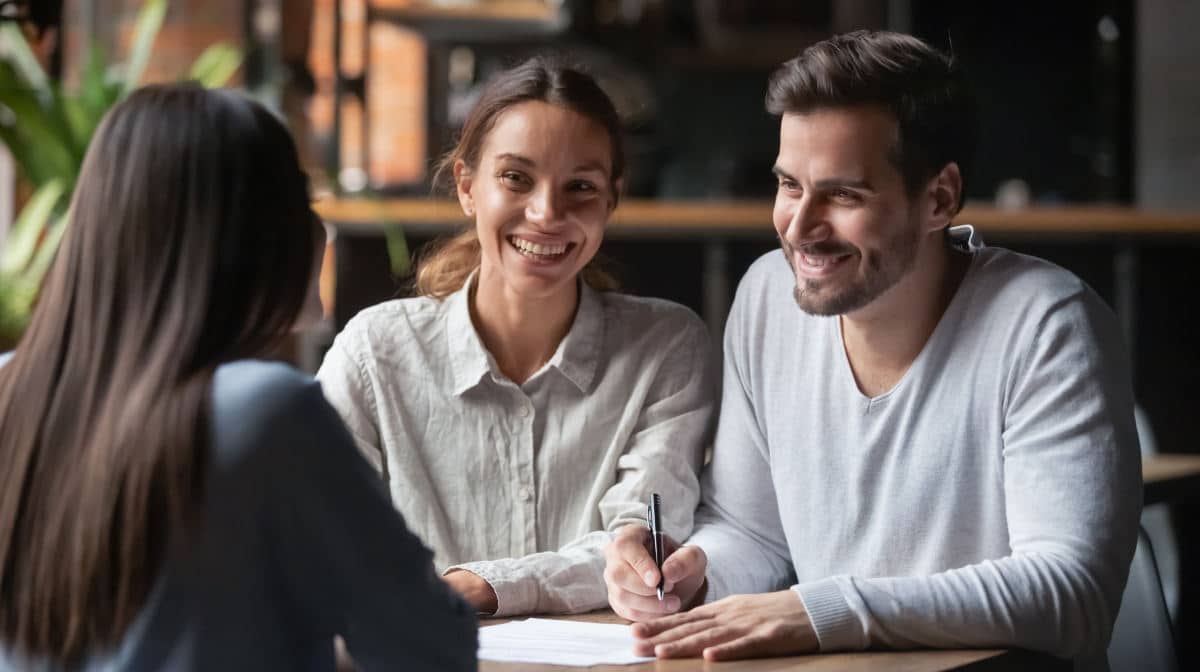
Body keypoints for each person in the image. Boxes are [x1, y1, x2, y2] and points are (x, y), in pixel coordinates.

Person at [603, 30, 1141, 670]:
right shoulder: (767, 298)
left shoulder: (1047, 324)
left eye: (843, 194)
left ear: (939, 197)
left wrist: (822, 611)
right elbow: (752, 531)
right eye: (789, 186)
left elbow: (1070, 594)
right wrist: (696, 576)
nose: (799, 228)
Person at [0, 83, 476, 671]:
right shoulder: (265, 412)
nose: (319, 232)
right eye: (302, 204)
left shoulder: (9, 392)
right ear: (245, 237)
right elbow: (428, 647)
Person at [316, 56, 716, 617]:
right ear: (466, 186)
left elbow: (637, 552)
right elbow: (323, 543)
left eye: (580, 186)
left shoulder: (667, 347)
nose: (547, 212)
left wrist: (484, 586)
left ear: (610, 201)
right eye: (516, 178)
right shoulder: (373, 355)